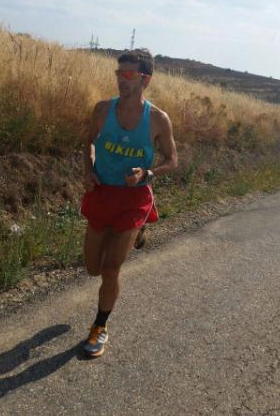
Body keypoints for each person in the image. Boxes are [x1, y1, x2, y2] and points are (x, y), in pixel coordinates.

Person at [80, 48, 178, 357]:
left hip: (134, 198)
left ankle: (100, 327)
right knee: (92, 268)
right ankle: (141, 229)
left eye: (129, 75)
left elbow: (172, 160)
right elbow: (89, 143)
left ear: (145, 80)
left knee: (111, 269)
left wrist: (147, 173)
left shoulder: (158, 119)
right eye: (118, 74)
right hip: (103, 193)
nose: (121, 80)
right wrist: (88, 169)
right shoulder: (101, 110)